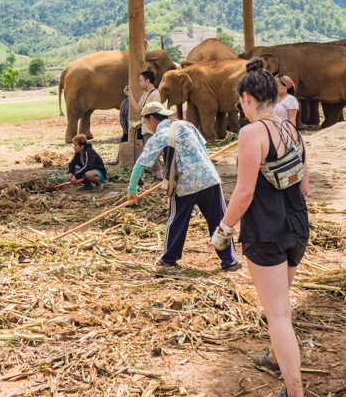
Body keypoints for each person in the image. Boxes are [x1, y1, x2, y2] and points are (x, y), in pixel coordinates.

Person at [211, 58, 309, 397]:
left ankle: (295, 392)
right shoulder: (292, 130)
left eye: (240, 100)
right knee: (281, 307)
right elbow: (304, 186)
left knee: (278, 313)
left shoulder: (251, 133)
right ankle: (276, 360)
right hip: (297, 226)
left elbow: (244, 192)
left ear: (248, 98)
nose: (240, 106)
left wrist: (223, 229)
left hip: (266, 231)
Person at [127, 101, 240, 273]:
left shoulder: (159, 136)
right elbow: (203, 148)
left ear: (152, 118)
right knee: (219, 221)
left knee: (176, 220)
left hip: (185, 183)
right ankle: (230, 261)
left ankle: (168, 260)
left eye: (146, 122)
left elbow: (140, 165)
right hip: (209, 177)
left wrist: (132, 190)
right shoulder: (186, 125)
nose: (147, 126)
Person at [124, 70, 163, 180]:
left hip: (151, 129)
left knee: (153, 154)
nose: (139, 83)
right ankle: (157, 177)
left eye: (141, 81)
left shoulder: (154, 94)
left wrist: (144, 121)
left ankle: (159, 178)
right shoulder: (145, 94)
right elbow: (138, 110)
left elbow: (154, 113)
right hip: (145, 129)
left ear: (148, 80)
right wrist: (130, 95)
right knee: (151, 154)